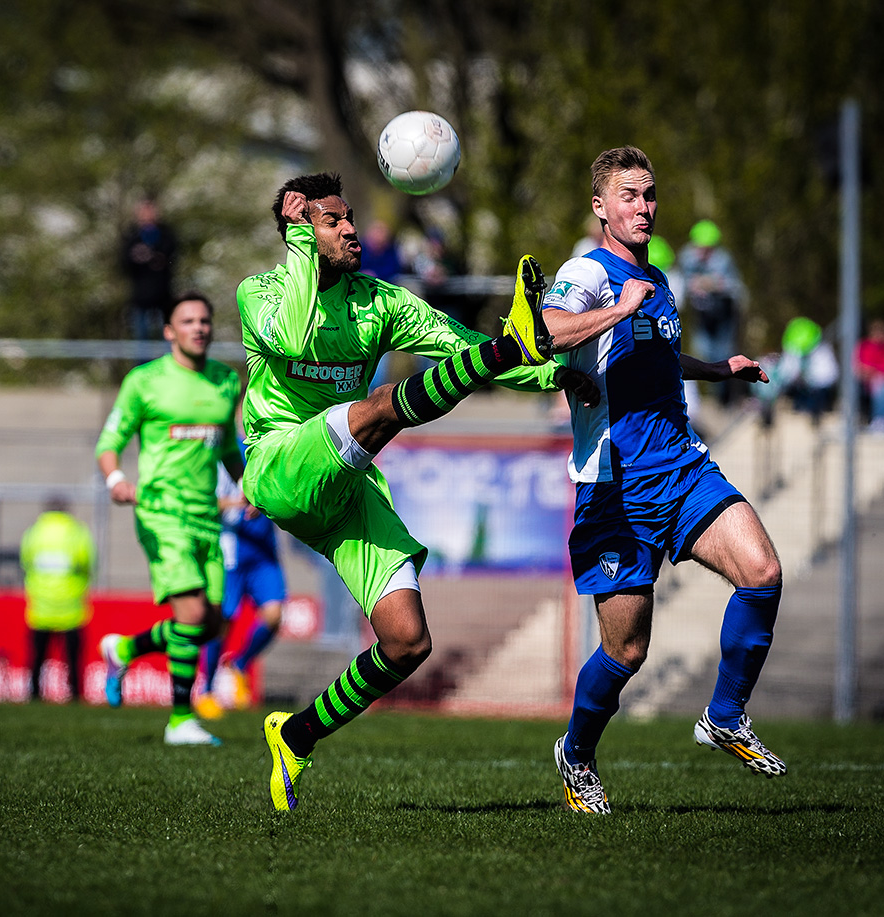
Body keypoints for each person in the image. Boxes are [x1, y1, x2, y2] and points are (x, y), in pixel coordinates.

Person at [240, 171, 599, 811]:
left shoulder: (381, 301)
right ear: (299, 226)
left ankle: (294, 735)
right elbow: (293, 335)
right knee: (379, 407)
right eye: (332, 220)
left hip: (347, 481)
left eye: (349, 218)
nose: (350, 229)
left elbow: (465, 349)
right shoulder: (259, 293)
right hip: (279, 463)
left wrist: (552, 374)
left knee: (407, 643)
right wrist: (299, 239)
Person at [541, 146, 785, 814]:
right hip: (616, 487)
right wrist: (620, 307)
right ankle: (578, 753)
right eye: (628, 195)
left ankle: (725, 715)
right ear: (600, 206)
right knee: (626, 649)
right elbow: (549, 331)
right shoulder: (587, 272)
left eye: (649, 195)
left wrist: (716, 368)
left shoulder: (657, 276)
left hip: (681, 466)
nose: (643, 207)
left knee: (761, 572)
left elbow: (657, 355)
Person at [95, 291, 244, 746]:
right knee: (193, 612)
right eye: (188, 321)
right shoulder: (144, 381)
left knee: (211, 623)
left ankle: (123, 649)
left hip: (206, 516)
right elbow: (109, 441)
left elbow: (223, 447)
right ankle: (181, 720)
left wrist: (248, 488)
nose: (199, 327)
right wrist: (116, 479)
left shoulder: (225, 381)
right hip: (161, 512)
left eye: (204, 320)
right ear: (169, 331)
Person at [194, 439, 287, 719]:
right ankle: (207, 690)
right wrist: (240, 500)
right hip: (231, 551)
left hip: (263, 553)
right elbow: (204, 500)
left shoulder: (275, 445)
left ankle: (238, 665)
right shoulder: (225, 450)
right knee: (223, 623)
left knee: (274, 615)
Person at [19, 495, 96, 703]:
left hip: (40, 607)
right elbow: (88, 562)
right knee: (72, 659)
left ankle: (34, 693)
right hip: (71, 607)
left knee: (37, 658)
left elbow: (25, 562)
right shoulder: (77, 532)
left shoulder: (34, 532)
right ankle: (74, 695)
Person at [677, 219, 748, 405]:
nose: (702, 252)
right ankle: (710, 395)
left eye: (708, 248)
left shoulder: (723, 260)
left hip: (724, 315)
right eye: (699, 247)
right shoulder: (686, 258)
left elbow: (737, 288)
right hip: (702, 316)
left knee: (723, 353)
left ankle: (724, 398)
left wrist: (715, 285)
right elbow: (682, 283)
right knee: (703, 352)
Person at [120, 196, 179, 343]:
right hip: (140, 298)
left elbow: (169, 257)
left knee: (166, 338)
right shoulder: (131, 236)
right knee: (142, 341)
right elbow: (125, 262)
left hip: (162, 296)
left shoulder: (166, 235)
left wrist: (147, 255)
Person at [776, 317, 839, 425]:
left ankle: (814, 415)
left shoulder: (822, 351)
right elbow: (785, 373)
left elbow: (829, 375)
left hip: (818, 389)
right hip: (798, 389)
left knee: (816, 394)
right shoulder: (793, 351)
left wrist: (810, 378)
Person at [855, 318, 884, 433]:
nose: (879, 335)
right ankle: (854, 418)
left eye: (882, 332)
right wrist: (865, 372)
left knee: (881, 384)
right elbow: (857, 365)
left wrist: (873, 371)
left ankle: (881, 420)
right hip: (864, 379)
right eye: (876, 332)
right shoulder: (863, 345)